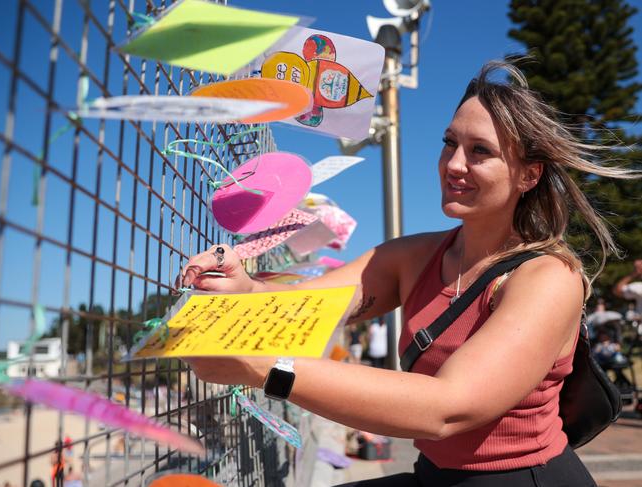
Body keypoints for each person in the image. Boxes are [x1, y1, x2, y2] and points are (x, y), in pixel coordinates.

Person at [179, 61, 639, 486]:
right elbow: (302, 311)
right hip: (433, 473)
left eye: (480, 151)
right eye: (449, 143)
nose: (454, 165)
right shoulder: (410, 256)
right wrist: (243, 286)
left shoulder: (548, 277)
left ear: (529, 175)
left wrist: (267, 370)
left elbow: (449, 409)